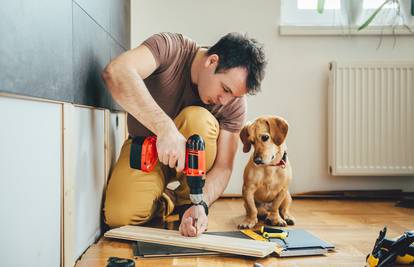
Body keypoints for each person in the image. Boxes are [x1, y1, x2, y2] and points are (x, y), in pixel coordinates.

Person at [102, 32, 266, 237]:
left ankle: (188, 202)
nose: (224, 101)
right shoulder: (170, 48)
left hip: (192, 172)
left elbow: (224, 167)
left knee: (198, 119)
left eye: (233, 95)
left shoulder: (234, 104)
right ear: (212, 61)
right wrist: (166, 129)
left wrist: (202, 203)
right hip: (145, 148)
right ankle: (166, 201)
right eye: (225, 89)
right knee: (120, 217)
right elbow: (116, 72)